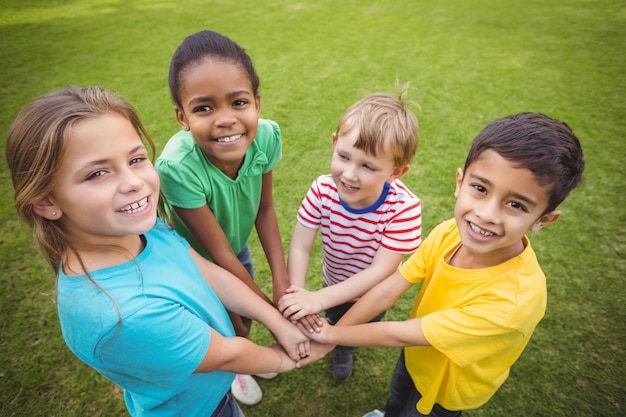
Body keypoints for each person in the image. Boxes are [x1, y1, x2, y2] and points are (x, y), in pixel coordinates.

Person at [5, 86, 313, 417]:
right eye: (97, 173)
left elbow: (208, 273)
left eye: (136, 159)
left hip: (214, 387)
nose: (133, 182)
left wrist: (276, 324)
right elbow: (226, 355)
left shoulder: (144, 228)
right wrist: (283, 357)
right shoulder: (122, 318)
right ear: (46, 201)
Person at [297, 112, 585, 416]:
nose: (486, 214)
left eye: (515, 205)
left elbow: (401, 333)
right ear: (460, 182)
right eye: (481, 188)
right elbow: (390, 288)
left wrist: (329, 336)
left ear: (543, 220)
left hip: (445, 391)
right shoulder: (450, 232)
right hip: (415, 357)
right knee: (396, 398)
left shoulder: (512, 303)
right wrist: (331, 334)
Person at [155, 30, 291, 404]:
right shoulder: (177, 167)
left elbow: (264, 210)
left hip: (234, 245)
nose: (226, 120)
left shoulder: (266, 137)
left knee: (242, 321)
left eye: (239, 102)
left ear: (257, 103)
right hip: (195, 264)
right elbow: (217, 256)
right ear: (182, 117)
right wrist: (271, 312)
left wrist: (282, 284)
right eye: (204, 108)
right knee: (231, 324)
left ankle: (244, 355)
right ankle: (237, 370)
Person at [278, 89, 422, 381]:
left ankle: (343, 347)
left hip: (370, 296)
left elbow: (381, 271)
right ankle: (333, 331)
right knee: (331, 317)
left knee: (352, 329)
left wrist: (318, 300)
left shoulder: (404, 208)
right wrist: (300, 296)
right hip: (333, 280)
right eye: (344, 156)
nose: (350, 174)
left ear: (396, 172)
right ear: (334, 143)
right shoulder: (322, 189)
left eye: (368, 166)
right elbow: (301, 247)